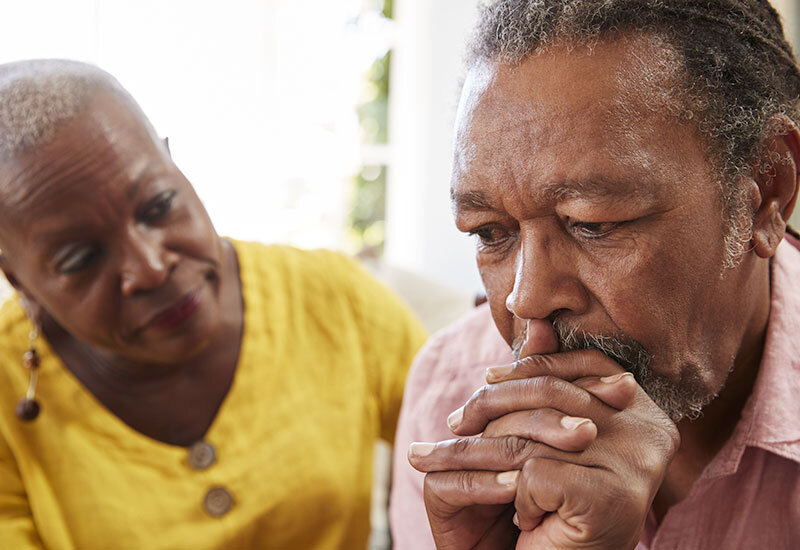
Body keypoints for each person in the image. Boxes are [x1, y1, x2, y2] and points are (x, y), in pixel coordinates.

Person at [390, 1, 800, 548]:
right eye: (490, 233)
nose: (526, 299)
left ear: (766, 192)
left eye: (593, 224)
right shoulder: (448, 398)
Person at [0, 59, 427, 549]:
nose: (151, 266)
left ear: (175, 167)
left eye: (159, 206)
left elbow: (467, 462)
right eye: (81, 257)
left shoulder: (337, 301)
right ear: (21, 282)